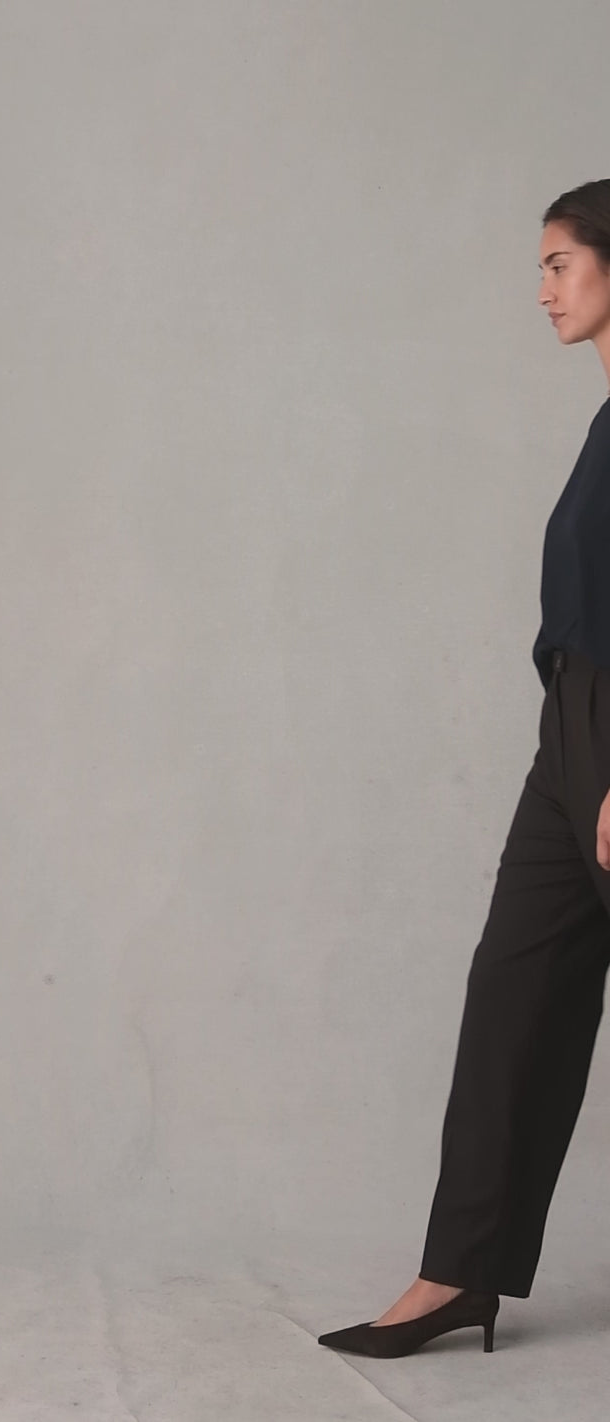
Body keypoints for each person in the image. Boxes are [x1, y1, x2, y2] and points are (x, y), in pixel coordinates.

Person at [318, 178, 610, 1358]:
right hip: (569, 736)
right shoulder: (605, 422)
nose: (539, 289)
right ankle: (460, 1274)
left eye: (557, 263)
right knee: (513, 999)